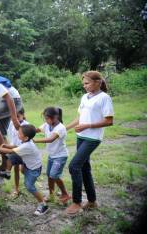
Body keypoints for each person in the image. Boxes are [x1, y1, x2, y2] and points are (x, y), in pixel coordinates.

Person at [65, 71, 114, 215]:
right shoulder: (84, 97)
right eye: (83, 84)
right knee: (85, 168)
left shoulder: (104, 98)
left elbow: (109, 121)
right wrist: (64, 128)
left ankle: (76, 202)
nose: (84, 86)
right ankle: (92, 201)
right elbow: (80, 118)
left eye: (87, 83)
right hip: (81, 136)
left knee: (74, 166)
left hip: (92, 138)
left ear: (97, 82)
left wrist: (88, 126)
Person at [0, 124, 48, 215]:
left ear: (25, 137)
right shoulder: (26, 142)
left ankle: (43, 204)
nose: (18, 134)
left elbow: (11, 151)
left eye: (20, 133)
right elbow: (15, 148)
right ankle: (7, 173)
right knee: (12, 158)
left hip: (34, 169)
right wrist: (7, 145)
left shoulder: (27, 146)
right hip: (27, 162)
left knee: (29, 186)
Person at [34, 107, 71, 204]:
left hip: (60, 156)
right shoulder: (47, 124)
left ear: (55, 117)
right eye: (45, 119)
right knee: (49, 176)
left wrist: (35, 140)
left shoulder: (60, 128)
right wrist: (27, 130)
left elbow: (51, 139)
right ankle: (51, 194)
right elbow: (37, 130)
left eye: (47, 118)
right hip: (52, 155)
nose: (45, 121)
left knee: (54, 175)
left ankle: (65, 193)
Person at [1, 108, 28, 197]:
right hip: (15, 149)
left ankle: (30, 185)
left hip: (24, 151)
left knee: (23, 170)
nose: (15, 119)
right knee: (16, 169)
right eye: (13, 117)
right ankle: (16, 189)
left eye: (18, 116)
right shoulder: (12, 123)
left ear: (23, 115)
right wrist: (8, 145)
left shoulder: (26, 125)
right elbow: (10, 136)